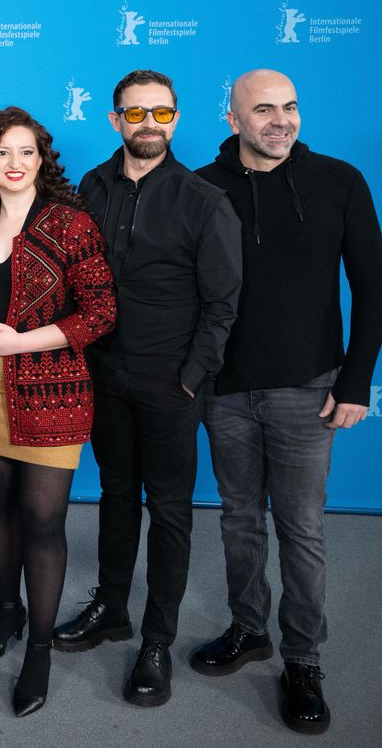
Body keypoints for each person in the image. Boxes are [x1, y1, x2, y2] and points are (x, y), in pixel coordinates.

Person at [191, 69, 381, 735]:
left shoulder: (339, 181)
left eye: (290, 107)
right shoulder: (202, 188)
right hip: (225, 391)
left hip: (309, 389)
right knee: (239, 519)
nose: (281, 121)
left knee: (301, 529)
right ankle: (249, 629)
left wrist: (355, 381)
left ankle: (303, 660)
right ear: (233, 120)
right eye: (264, 109)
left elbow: (373, 287)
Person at [56, 69, 242, 708]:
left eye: (161, 113)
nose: (149, 124)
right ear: (116, 120)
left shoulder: (204, 200)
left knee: (169, 510)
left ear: (176, 119)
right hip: (104, 375)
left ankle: (157, 640)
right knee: (115, 494)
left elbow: (223, 305)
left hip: (171, 385)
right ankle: (111, 607)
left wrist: (191, 380)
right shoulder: (91, 186)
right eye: (136, 113)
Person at [0, 108, 116, 716]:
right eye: (1, 153)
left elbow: (101, 312)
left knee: (43, 520)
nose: (14, 163)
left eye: (25, 151)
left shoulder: (71, 224)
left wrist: (24, 342)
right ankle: (8, 612)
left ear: (42, 159)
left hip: (54, 391)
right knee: (1, 503)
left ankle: (39, 651)